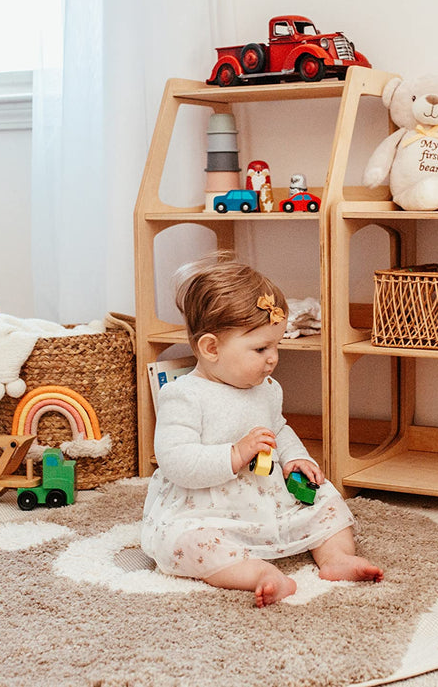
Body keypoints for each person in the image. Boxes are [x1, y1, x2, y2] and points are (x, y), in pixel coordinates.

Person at [141, 255, 383, 606]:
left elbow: (279, 429)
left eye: (276, 346)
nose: (273, 358)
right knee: (186, 545)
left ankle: (336, 558)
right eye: (260, 348)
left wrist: (295, 458)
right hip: (206, 506)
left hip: (266, 495)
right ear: (211, 348)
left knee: (327, 500)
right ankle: (257, 572)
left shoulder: (266, 387)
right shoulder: (183, 394)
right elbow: (175, 459)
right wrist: (236, 454)